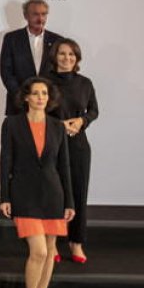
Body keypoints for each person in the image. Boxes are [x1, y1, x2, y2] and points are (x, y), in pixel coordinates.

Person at [0, 77, 74, 288]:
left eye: (44, 93)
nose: (40, 97)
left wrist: (69, 202)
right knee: (39, 251)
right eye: (35, 93)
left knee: (50, 251)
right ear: (26, 97)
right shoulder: (12, 123)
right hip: (24, 195)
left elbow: (64, 166)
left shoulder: (58, 127)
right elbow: (5, 161)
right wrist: (5, 197)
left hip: (53, 195)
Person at [44, 40, 97, 263]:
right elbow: (34, 110)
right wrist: (59, 125)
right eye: (63, 54)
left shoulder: (85, 83)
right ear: (55, 56)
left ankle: (76, 243)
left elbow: (93, 110)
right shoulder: (44, 82)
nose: (67, 58)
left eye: (72, 54)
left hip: (78, 145)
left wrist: (82, 121)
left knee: (78, 193)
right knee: (54, 195)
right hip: (52, 144)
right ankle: (52, 242)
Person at [0, 0, 63, 115]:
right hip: (19, 104)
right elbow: (6, 72)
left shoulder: (57, 40)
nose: (40, 18)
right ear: (25, 15)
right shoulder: (11, 39)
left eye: (43, 14)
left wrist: (49, 96)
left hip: (49, 105)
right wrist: (23, 96)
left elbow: (60, 72)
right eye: (35, 14)